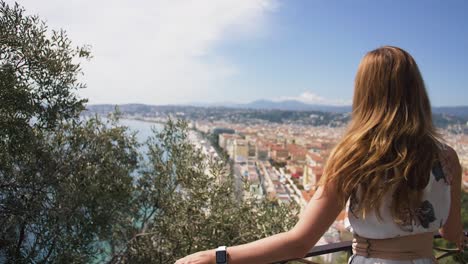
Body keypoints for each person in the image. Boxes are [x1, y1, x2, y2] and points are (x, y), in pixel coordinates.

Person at [174, 46, 466, 264]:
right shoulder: (447, 156)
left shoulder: (356, 156)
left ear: (365, 94)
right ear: (418, 92)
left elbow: (299, 243)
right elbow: (451, 231)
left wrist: (218, 256)